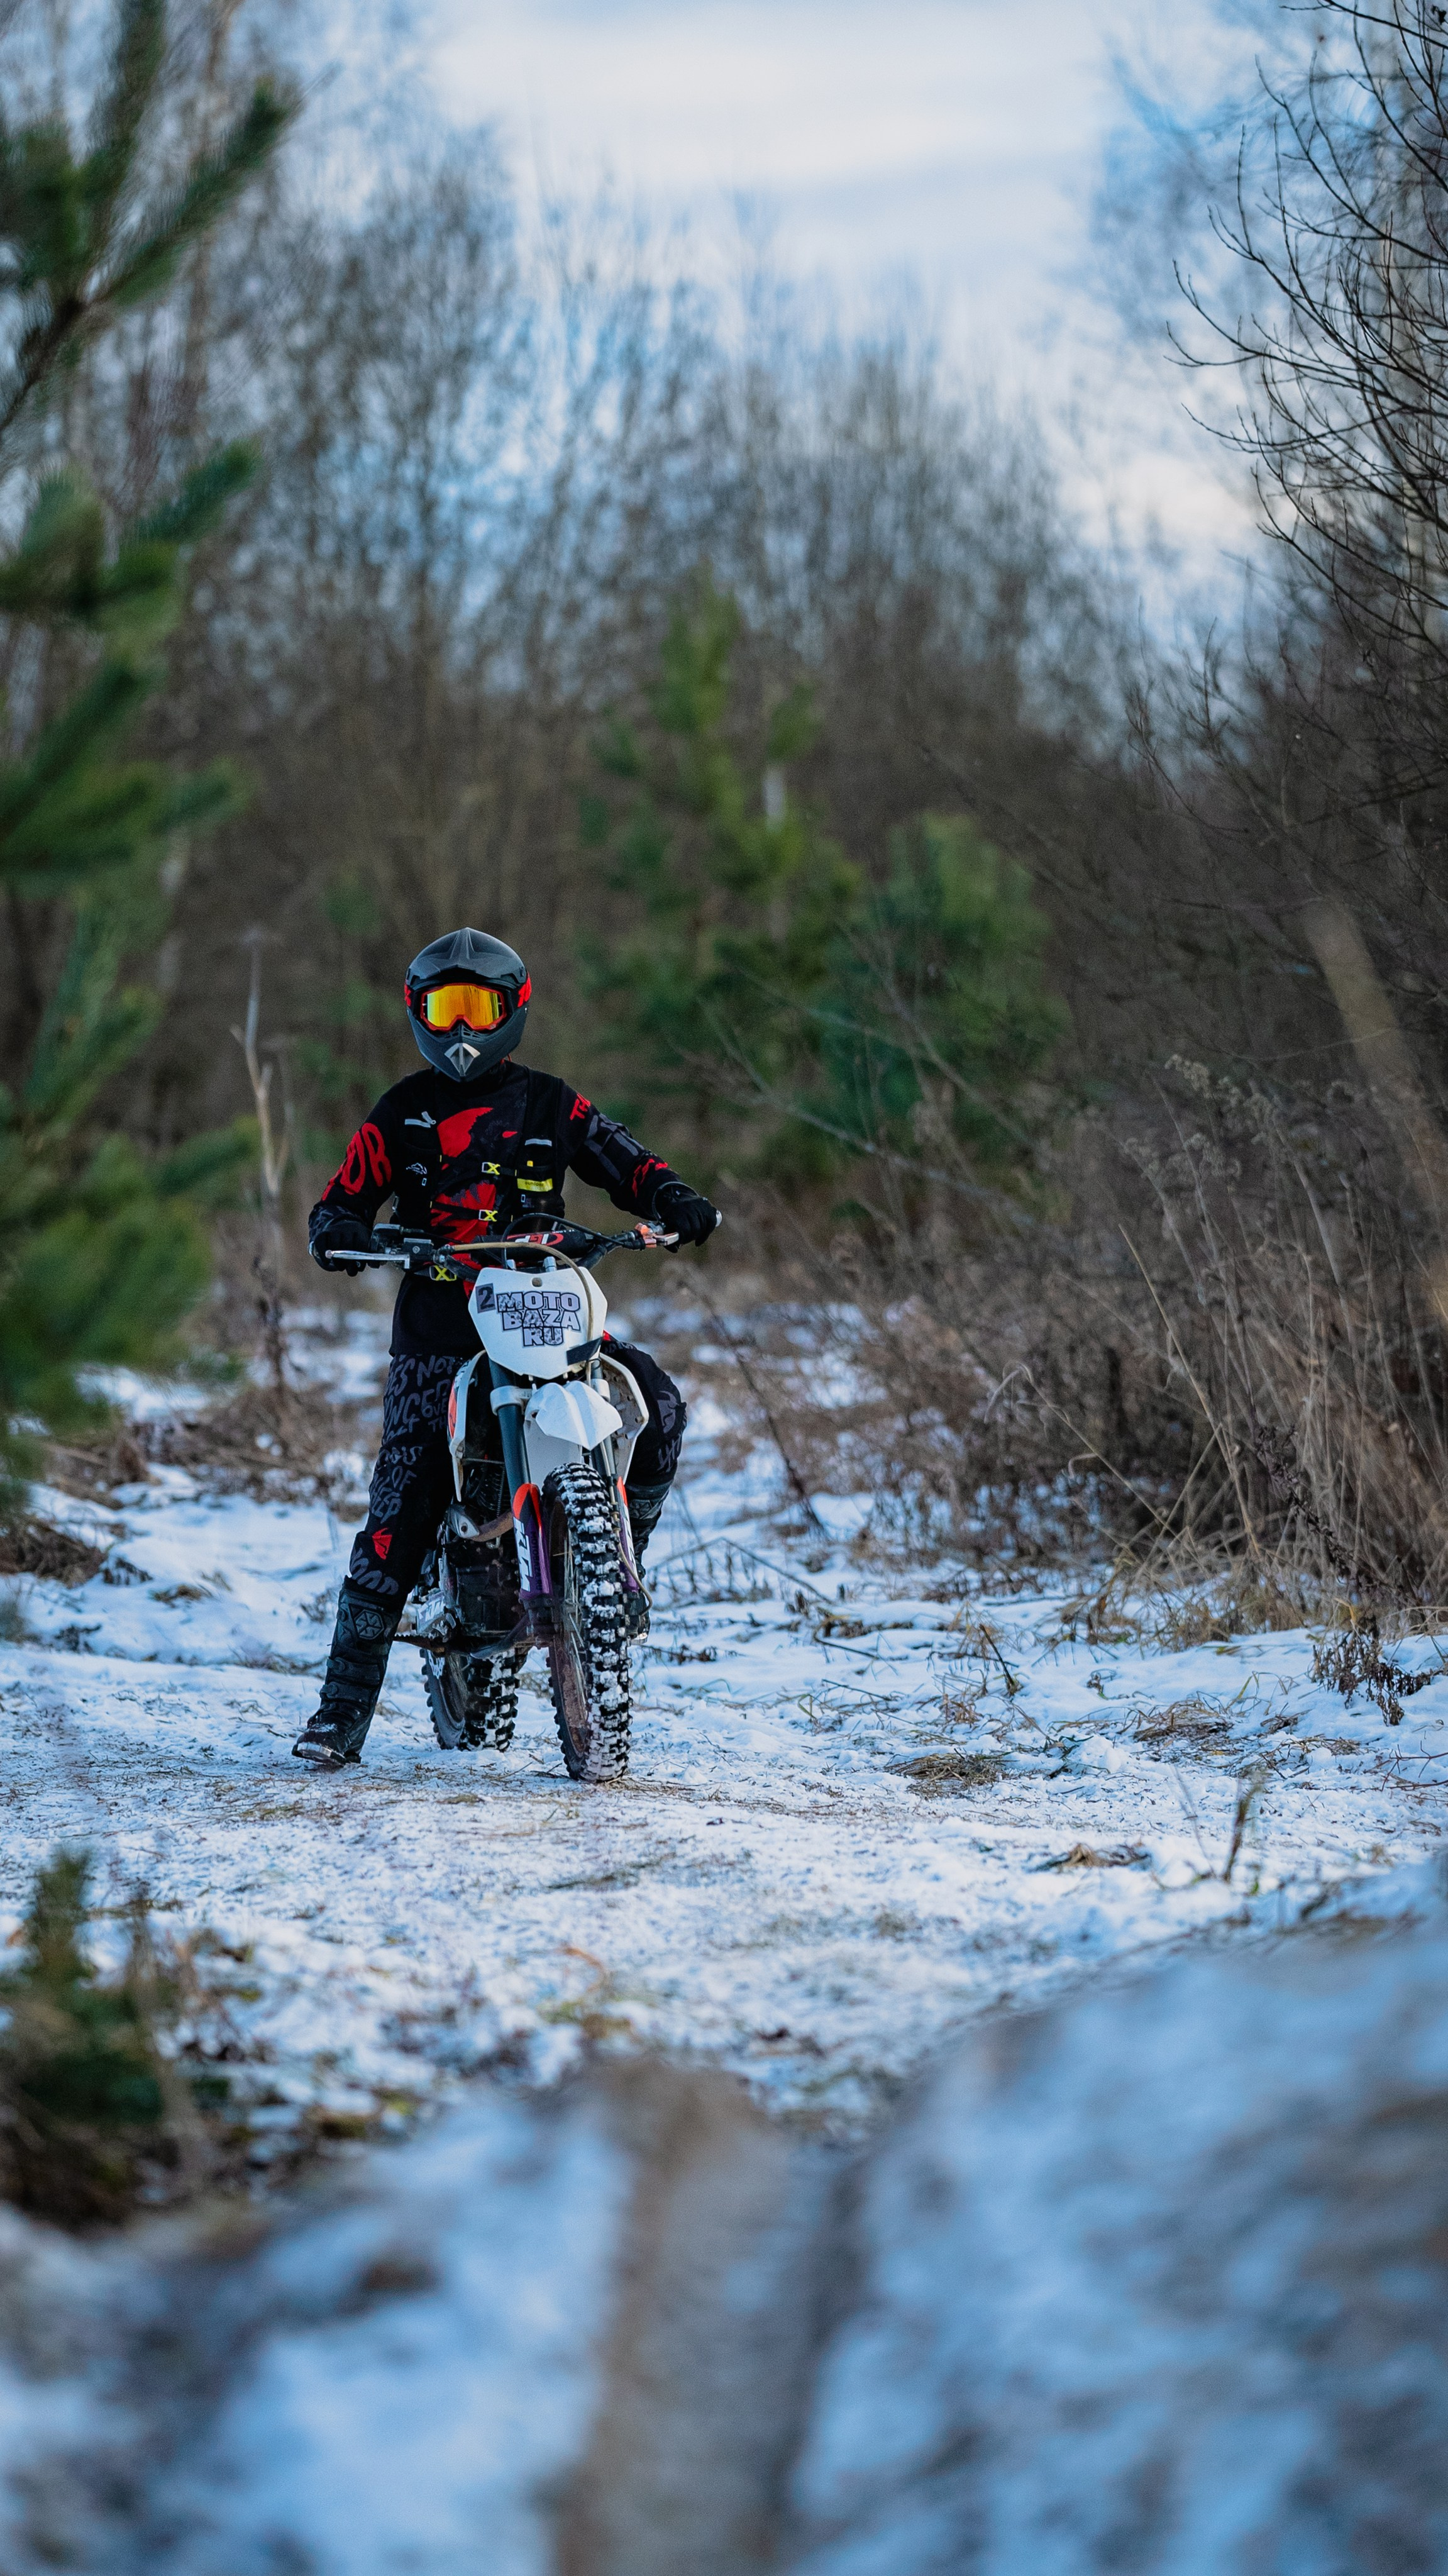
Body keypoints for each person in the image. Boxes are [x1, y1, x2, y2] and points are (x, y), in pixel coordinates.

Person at [292, 928, 719, 1771]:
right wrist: (343, 1232)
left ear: (513, 1010)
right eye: (443, 1007)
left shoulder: (552, 1104)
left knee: (658, 1406)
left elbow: (628, 1162)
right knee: (402, 1500)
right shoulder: (402, 1111)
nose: (460, 1027)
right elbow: (340, 1200)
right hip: (440, 1334)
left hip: (551, 1316)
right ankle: (341, 1715)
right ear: (417, 1012)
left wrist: (673, 1194)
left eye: (477, 1007)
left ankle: (607, 1574)